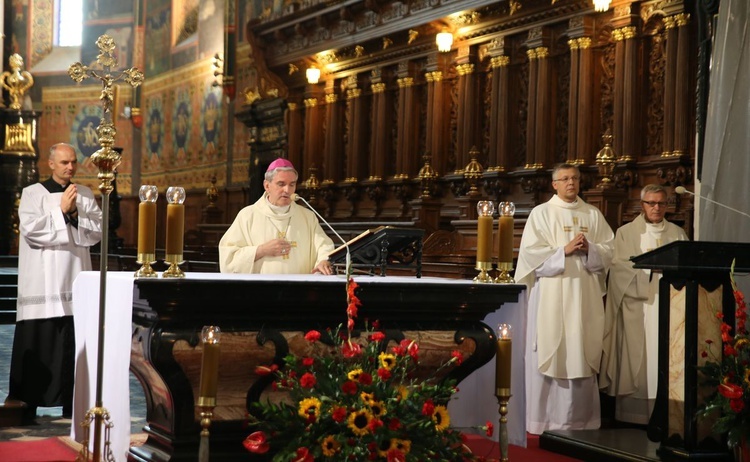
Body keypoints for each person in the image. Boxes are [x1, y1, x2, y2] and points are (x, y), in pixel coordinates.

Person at [515, 163, 615, 434]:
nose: (571, 182)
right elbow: (530, 256)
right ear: (554, 184)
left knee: (580, 349)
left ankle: (580, 421)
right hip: (551, 293)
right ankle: (543, 420)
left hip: (585, 295)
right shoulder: (541, 214)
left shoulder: (592, 214)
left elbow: (610, 251)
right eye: (565, 179)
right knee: (552, 349)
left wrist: (590, 249)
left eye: (575, 178)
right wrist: (564, 251)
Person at [7, 143, 103, 422]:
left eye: (73, 162)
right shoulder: (32, 193)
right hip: (42, 286)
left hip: (74, 282)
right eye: (64, 162)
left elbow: (96, 232)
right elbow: (31, 231)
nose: (70, 167)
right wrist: (61, 210)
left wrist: (74, 214)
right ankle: (28, 404)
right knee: (40, 342)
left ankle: (71, 405)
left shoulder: (84, 194)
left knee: (71, 347)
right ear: (51, 164)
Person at [599, 184, 688, 425]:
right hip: (637, 306)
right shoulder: (627, 233)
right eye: (651, 203)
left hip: (670, 303)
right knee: (637, 358)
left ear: (667, 205)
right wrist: (650, 269)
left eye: (661, 203)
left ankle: (668, 412)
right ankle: (633, 414)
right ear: (642, 205)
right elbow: (618, 268)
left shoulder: (678, 234)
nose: (656, 208)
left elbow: (687, 267)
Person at [219, 158, 335, 274]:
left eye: (292, 185)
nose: (287, 190)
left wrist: (324, 261)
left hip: (300, 289)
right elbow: (228, 258)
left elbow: (324, 246)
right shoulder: (248, 216)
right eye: (281, 184)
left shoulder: (307, 217)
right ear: (267, 186)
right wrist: (261, 250)